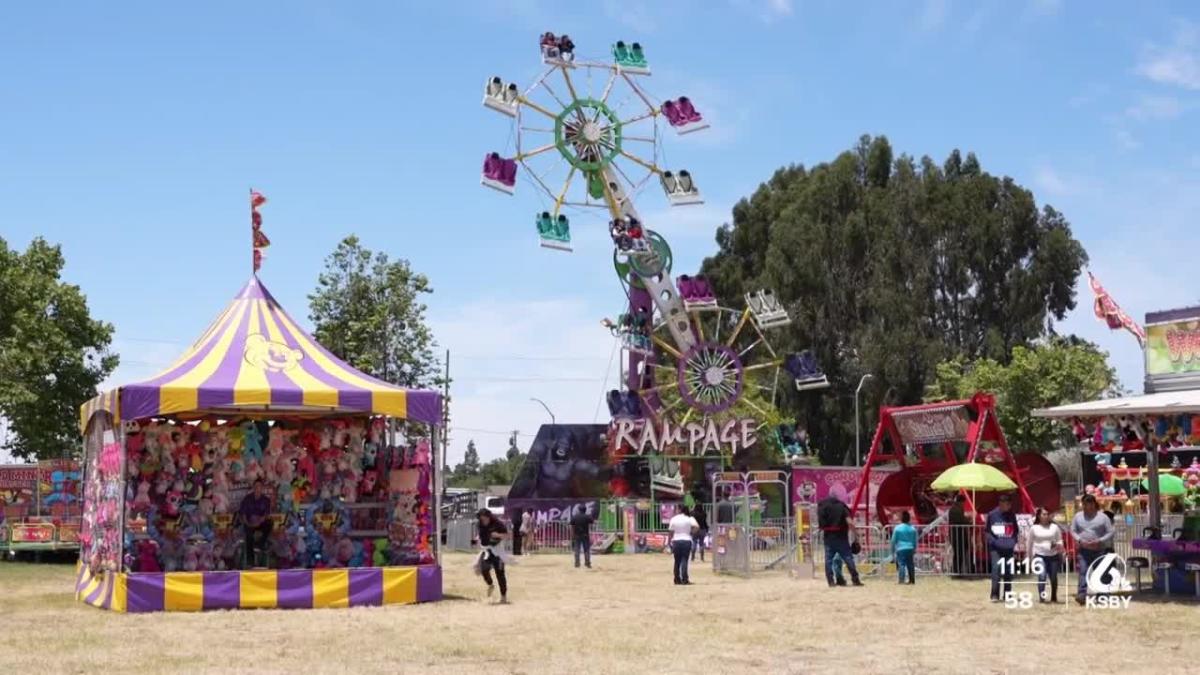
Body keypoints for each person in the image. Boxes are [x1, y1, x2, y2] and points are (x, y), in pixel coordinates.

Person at [1071, 494, 1114, 604]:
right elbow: (1073, 530)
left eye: (1090, 504)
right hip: (1083, 550)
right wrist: (1080, 540)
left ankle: (1102, 596)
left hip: (1099, 550)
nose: (1087, 507)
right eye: (1085, 504)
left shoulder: (1103, 517)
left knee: (1101, 573)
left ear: (1094, 504)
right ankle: (1081, 595)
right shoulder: (1077, 517)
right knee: (1083, 572)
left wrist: (1099, 540)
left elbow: (1110, 531)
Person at [817, 493, 862, 587]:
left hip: (828, 537)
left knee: (828, 560)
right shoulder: (842, 507)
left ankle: (830, 581)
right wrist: (856, 536)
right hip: (841, 537)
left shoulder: (822, 507)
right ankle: (855, 579)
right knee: (848, 558)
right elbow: (850, 522)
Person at [1027, 507, 1065, 603]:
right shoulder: (1034, 528)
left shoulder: (1054, 527)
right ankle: (1042, 597)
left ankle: (1053, 597)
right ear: (1039, 516)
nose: (1046, 516)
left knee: (1053, 577)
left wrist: (1059, 546)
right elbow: (1029, 543)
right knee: (1042, 576)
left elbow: (1060, 540)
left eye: (1047, 514)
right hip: (1039, 555)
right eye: (1044, 514)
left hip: (1053, 556)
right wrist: (1029, 557)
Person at [985, 494, 1018, 602]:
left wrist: (1013, 541)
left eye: (1010, 504)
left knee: (1008, 572)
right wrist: (993, 542)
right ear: (1001, 504)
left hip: (1009, 548)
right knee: (996, 570)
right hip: (996, 548)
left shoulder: (1012, 515)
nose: (1009, 506)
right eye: (1007, 504)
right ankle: (994, 594)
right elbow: (987, 531)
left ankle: (1007, 594)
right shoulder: (992, 515)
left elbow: (1015, 530)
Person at [475, 509, 510, 604]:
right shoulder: (479, 524)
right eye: (482, 519)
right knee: (483, 569)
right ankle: (490, 584)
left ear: (489, 517)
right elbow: (481, 535)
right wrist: (478, 538)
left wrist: (497, 535)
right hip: (487, 550)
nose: (484, 521)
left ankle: (503, 596)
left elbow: (508, 536)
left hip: (498, 550)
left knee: (500, 573)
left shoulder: (498, 523)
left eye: (485, 519)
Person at [239, 479, 273, 567]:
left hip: (260, 523)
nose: (258, 488)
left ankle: (260, 544)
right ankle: (251, 561)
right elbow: (243, 514)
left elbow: (266, 515)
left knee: (270, 523)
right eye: (256, 486)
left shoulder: (266, 500)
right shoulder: (247, 499)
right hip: (249, 523)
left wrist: (259, 521)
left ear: (262, 488)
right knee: (248, 534)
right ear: (253, 487)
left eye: (259, 486)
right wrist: (248, 523)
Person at [667, 504, 699, 585]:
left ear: (679, 510)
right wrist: (691, 532)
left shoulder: (674, 519)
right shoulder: (689, 518)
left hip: (676, 540)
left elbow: (670, 531)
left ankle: (677, 579)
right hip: (686, 540)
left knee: (677, 560)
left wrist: (670, 541)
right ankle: (684, 579)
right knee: (684, 560)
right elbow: (697, 527)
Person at [948, 493, 972, 575]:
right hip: (957, 536)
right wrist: (969, 521)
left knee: (959, 554)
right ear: (961, 502)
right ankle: (956, 571)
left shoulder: (956, 509)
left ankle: (957, 570)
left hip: (958, 536)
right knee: (959, 554)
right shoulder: (956, 510)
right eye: (963, 503)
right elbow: (961, 521)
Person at [891, 511, 918, 585]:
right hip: (910, 548)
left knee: (901, 564)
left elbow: (893, 541)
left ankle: (901, 580)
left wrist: (892, 551)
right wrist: (915, 548)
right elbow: (915, 540)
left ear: (901, 519)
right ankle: (912, 580)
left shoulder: (897, 528)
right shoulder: (913, 529)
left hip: (900, 548)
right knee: (910, 564)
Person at [570, 504, 593, 569]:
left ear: (579, 510)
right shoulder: (587, 517)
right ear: (585, 510)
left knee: (577, 549)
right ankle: (587, 563)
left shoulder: (575, 517)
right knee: (586, 549)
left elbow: (572, 525)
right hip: (585, 535)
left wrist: (572, 535)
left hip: (577, 535)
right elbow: (592, 521)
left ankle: (577, 563)